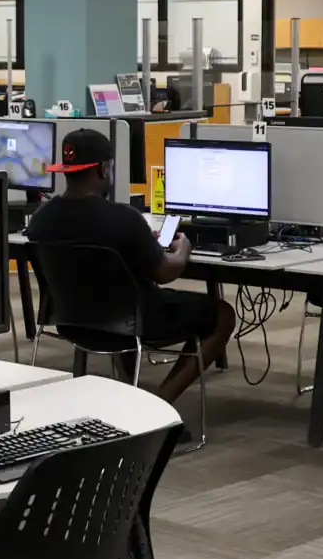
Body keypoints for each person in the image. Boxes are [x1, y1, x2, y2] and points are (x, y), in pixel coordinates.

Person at [23, 127, 234, 405]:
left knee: (119, 299)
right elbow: (165, 272)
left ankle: (134, 396)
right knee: (223, 314)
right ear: (103, 169)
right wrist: (183, 249)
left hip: (70, 322)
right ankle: (159, 405)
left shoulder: (41, 219)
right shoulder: (123, 218)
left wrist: (143, 243)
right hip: (132, 322)